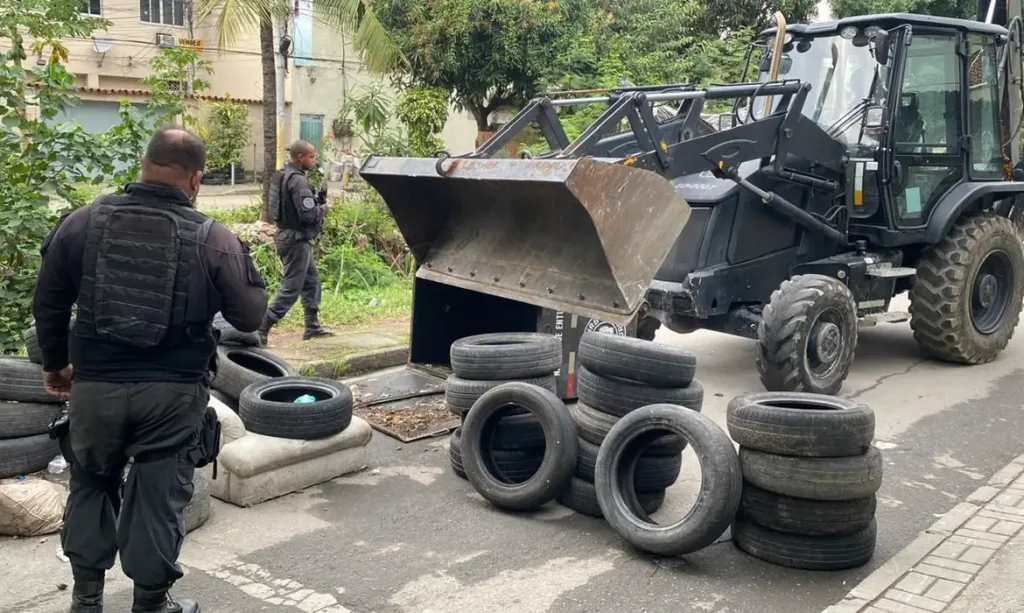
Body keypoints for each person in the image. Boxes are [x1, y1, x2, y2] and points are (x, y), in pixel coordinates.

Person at [33, 127, 269, 613]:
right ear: (197, 179)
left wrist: (57, 367)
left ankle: (86, 601)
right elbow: (249, 316)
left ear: (144, 164)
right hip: (172, 395)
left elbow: (48, 304)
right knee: (159, 497)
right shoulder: (214, 239)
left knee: (91, 485)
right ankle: (151, 604)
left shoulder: (81, 223)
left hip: (95, 388)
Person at [257, 139, 333, 345]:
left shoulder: (283, 174)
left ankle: (312, 326)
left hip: (288, 235)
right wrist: (325, 208)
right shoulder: (298, 180)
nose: (314, 159)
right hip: (295, 239)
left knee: (312, 281)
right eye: (311, 156)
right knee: (291, 287)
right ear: (300, 157)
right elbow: (308, 216)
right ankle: (262, 327)